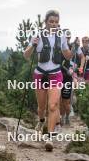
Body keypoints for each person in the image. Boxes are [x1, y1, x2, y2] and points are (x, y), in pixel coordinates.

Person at [24, 10, 74, 151]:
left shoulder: (61, 36)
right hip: (40, 74)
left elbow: (68, 56)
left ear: (59, 23)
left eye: (56, 22)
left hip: (56, 74)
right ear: (45, 22)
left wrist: (73, 50)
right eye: (51, 21)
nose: (53, 24)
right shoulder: (38, 35)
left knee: (53, 106)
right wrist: (33, 45)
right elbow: (26, 56)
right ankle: (41, 121)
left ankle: (50, 137)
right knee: (42, 107)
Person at [60, 31, 85, 125]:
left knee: (66, 100)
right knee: (58, 98)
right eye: (65, 37)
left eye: (68, 38)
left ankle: (67, 114)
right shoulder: (58, 46)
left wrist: (81, 67)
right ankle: (61, 117)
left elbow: (82, 57)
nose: (67, 39)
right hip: (59, 73)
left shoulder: (74, 46)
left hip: (70, 74)